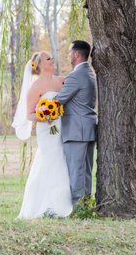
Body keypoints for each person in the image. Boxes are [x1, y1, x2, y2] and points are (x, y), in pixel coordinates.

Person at [12, 51, 72, 219]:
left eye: (52, 57)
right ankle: (43, 205)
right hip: (47, 130)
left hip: (63, 127)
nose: (53, 60)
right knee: (49, 160)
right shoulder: (35, 87)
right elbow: (30, 114)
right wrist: (46, 116)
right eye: (48, 59)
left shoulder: (61, 81)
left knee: (63, 159)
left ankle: (62, 203)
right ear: (39, 65)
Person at [55, 40, 97, 207]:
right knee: (85, 170)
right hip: (87, 128)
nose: (69, 55)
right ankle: (85, 203)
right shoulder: (90, 73)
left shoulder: (76, 76)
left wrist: (43, 101)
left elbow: (59, 100)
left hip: (76, 130)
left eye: (70, 52)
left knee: (76, 171)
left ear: (76, 54)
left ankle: (78, 206)